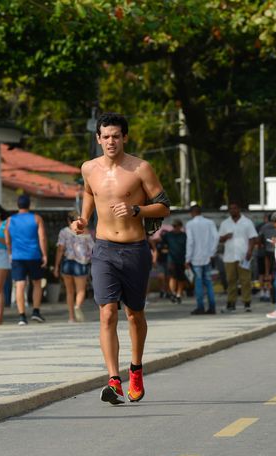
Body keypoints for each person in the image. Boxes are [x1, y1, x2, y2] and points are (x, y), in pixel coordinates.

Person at [70, 112, 170, 405]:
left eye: (116, 136)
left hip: (135, 249)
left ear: (125, 137)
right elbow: (90, 193)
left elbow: (164, 207)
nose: (111, 141)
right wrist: (83, 219)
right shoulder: (89, 168)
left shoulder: (140, 168)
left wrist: (137, 210)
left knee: (134, 314)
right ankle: (113, 379)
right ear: (98, 139)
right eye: (106, 136)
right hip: (103, 249)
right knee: (107, 313)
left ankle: (135, 368)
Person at [5, 194, 48, 326]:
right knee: (36, 284)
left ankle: (22, 316)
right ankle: (35, 311)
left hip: (17, 256)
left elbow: (7, 240)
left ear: (17, 205)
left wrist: (10, 252)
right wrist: (45, 254)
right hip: (34, 255)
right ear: (29, 205)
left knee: (20, 285)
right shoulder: (36, 218)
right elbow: (42, 238)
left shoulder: (10, 220)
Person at [54, 211, 95, 322]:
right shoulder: (86, 232)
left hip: (67, 262)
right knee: (81, 290)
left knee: (69, 291)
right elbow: (92, 249)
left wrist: (56, 266)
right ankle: (77, 306)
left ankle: (71, 317)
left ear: (68, 220)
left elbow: (60, 249)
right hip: (81, 264)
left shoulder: (64, 232)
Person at [219, 202, 258, 312]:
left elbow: (252, 238)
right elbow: (220, 239)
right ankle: (231, 303)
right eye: (230, 209)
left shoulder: (247, 222)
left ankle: (247, 303)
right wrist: (226, 236)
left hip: (243, 256)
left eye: (234, 208)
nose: (232, 210)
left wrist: (250, 251)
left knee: (245, 280)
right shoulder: (225, 223)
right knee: (231, 280)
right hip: (229, 257)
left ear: (239, 209)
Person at [185, 204, 219, 315]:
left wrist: (187, 258)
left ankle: (200, 307)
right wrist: (212, 252)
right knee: (209, 282)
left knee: (198, 282)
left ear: (192, 213)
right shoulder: (210, 223)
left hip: (195, 258)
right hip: (207, 257)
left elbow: (190, 242)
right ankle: (212, 307)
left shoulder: (190, 224)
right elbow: (216, 237)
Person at [162, 220, 188, 304]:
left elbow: (188, 247)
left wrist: (187, 260)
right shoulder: (168, 235)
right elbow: (162, 245)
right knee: (172, 276)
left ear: (180, 226)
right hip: (171, 259)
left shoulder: (184, 236)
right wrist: (164, 250)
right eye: (174, 226)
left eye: (177, 226)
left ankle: (179, 294)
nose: (175, 228)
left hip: (182, 259)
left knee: (181, 278)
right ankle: (173, 293)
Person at [257, 214, 276, 302]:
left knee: (264, 274)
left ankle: (264, 292)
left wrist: (261, 246)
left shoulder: (263, 227)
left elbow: (259, 240)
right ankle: (273, 292)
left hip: (265, 253)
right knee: (275, 273)